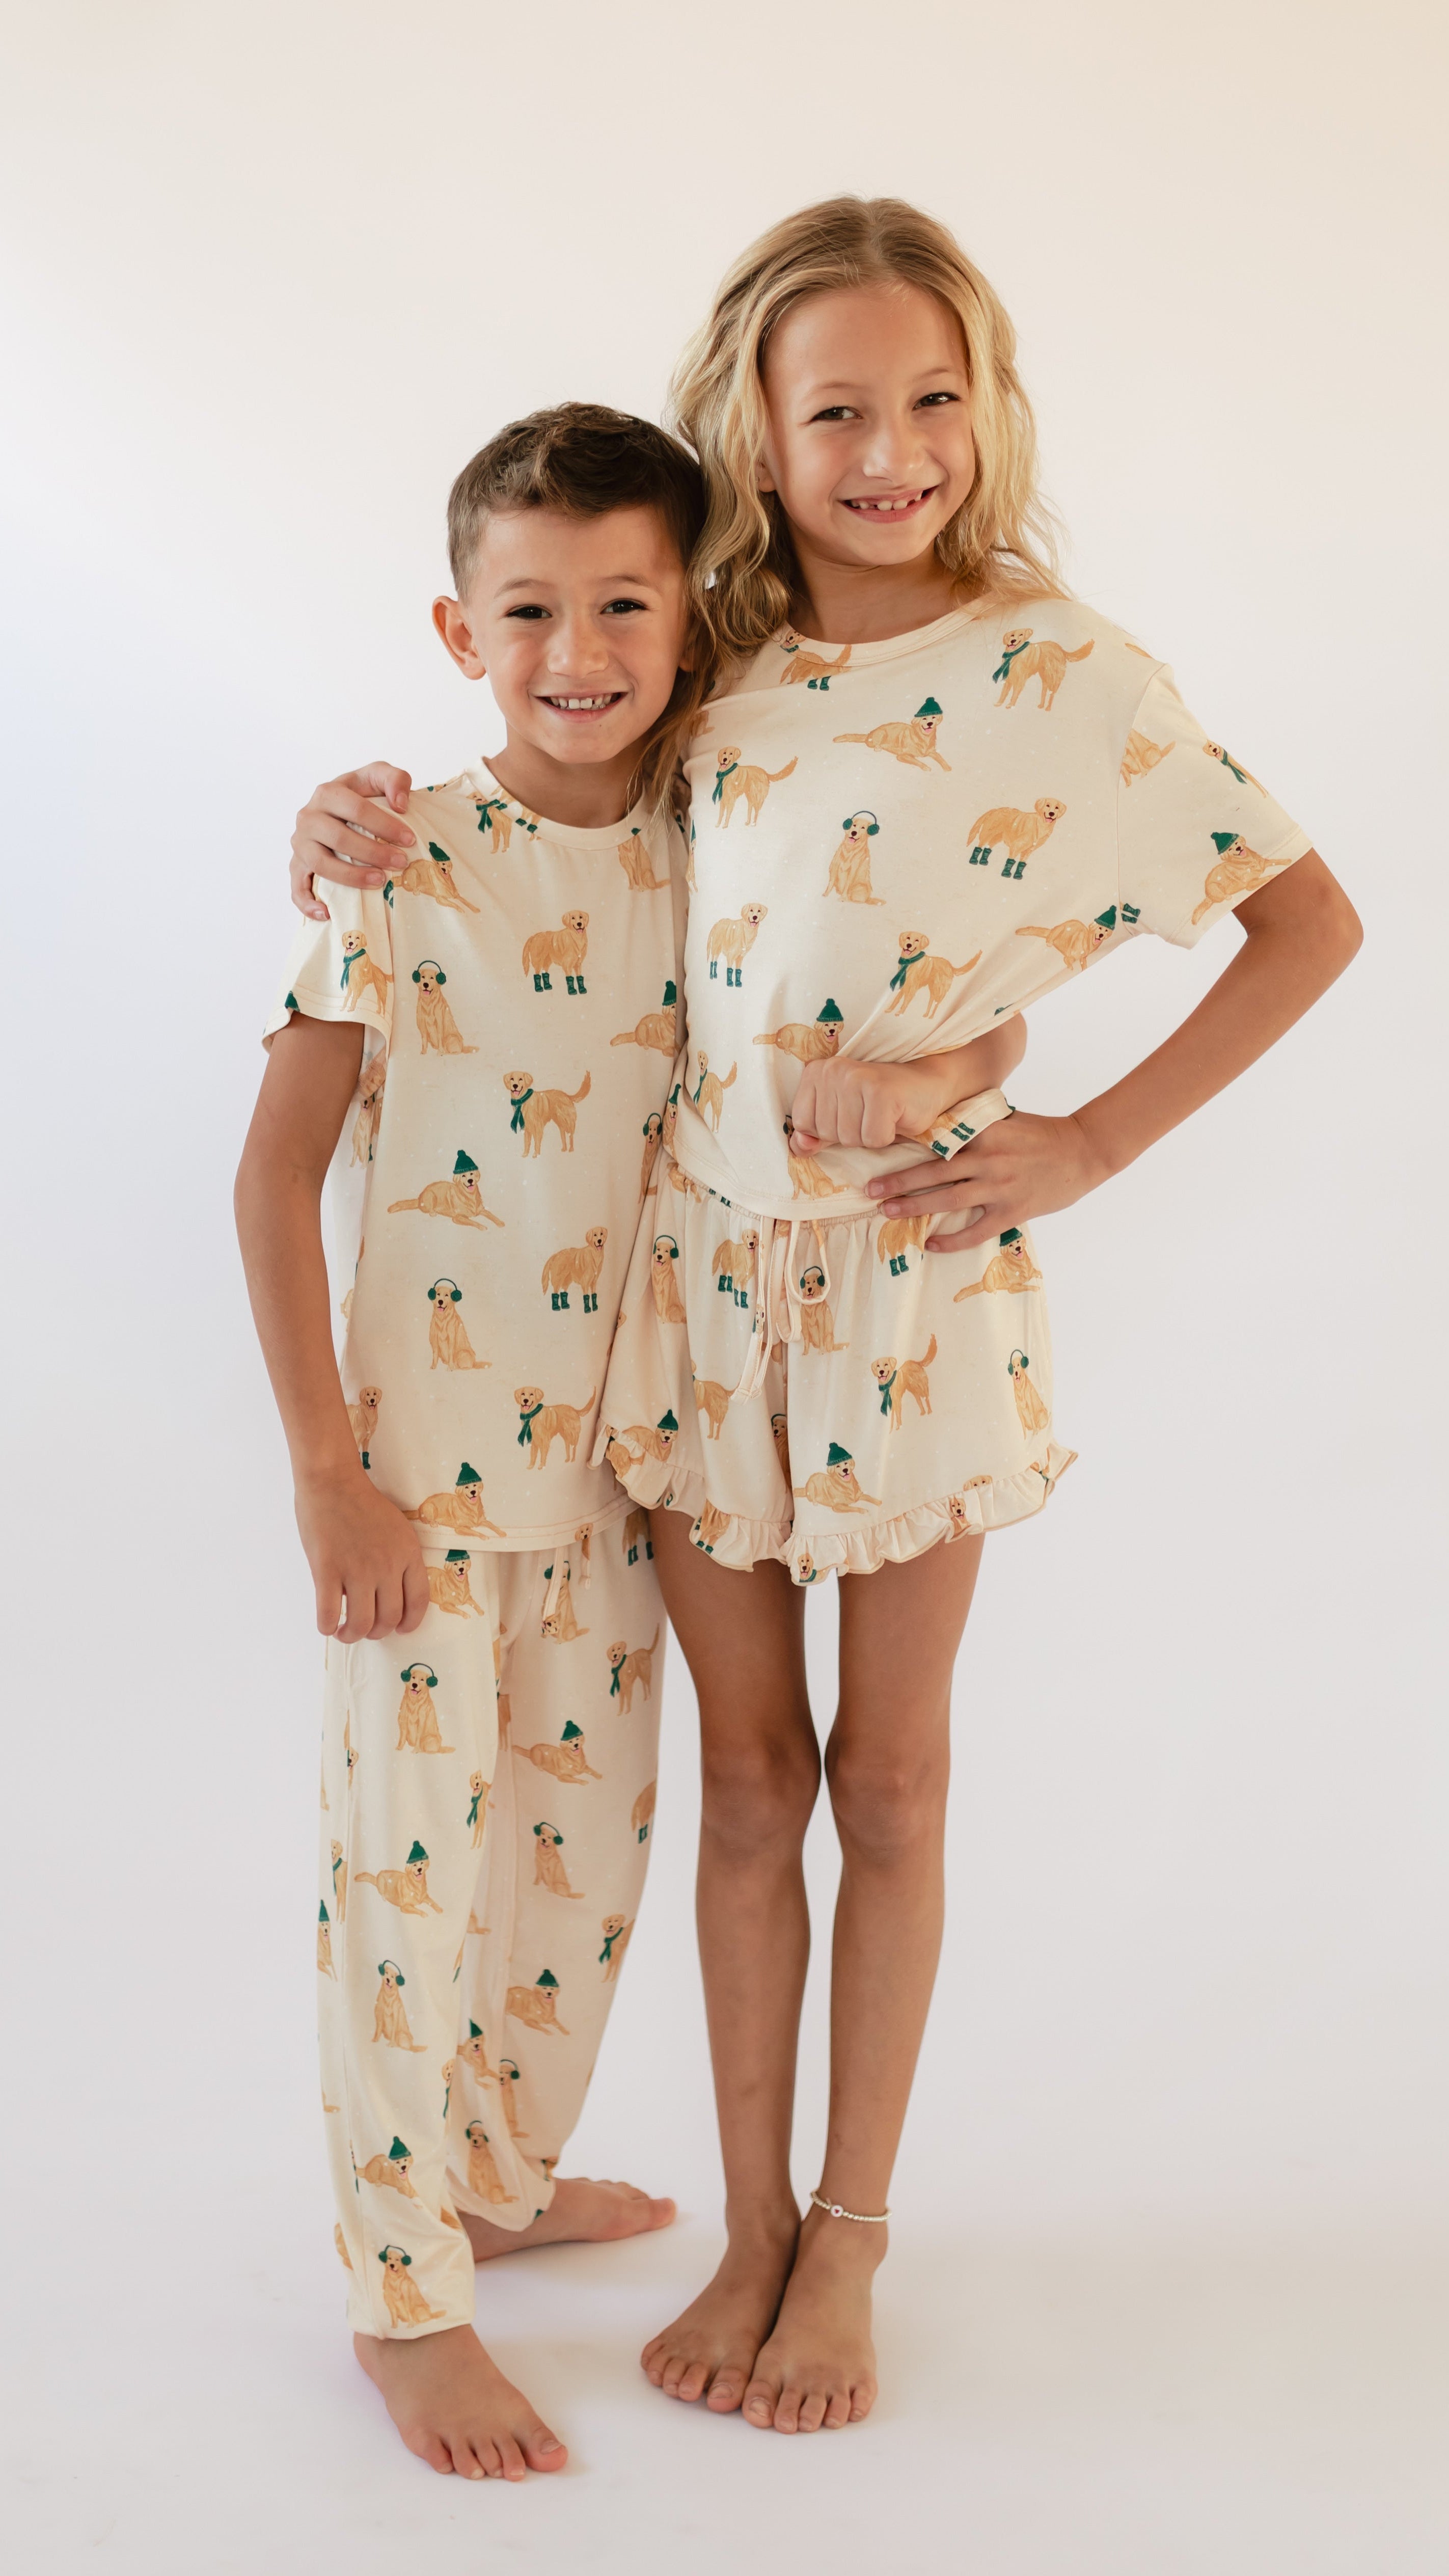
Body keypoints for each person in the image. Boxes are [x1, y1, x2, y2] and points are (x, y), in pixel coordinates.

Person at [285, 196, 1360, 2442]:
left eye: (934, 400)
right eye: (840, 409)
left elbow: (1305, 923)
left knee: (889, 1771)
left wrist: (1066, 1125)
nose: (893, 452)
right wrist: (351, 821)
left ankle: (849, 2233)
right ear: (755, 436)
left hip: (915, 1291)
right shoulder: (714, 659)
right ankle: (746, 2221)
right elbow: (611, 850)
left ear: (989, 409)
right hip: (692, 1288)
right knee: (747, 1776)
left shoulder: (1069, 673)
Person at [236, 403, 712, 2483]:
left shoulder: (722, 856)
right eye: (529, 611)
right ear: (460, 629)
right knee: (405, 1886)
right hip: (420, 1485)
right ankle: (402, 2293)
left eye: (623, 604)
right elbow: (274, 1177)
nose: (577, 651)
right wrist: (325, 1475)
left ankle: (495, 2179)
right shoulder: (399, 859)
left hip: (632, 1481)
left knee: (580, 1871)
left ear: (693, 618)